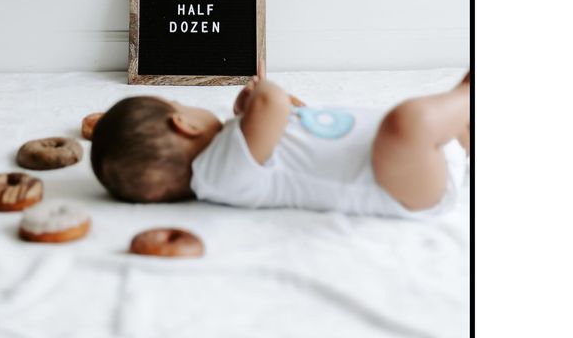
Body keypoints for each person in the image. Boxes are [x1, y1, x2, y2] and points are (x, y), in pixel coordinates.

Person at [90, 66, 470, 218]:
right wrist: (260, 95)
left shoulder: (233, 155)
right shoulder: (216, 175)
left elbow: (289, 117)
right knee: (406, 123)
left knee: (408, 124)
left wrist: (248, 114)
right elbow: (273, 102)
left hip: (408, 162)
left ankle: (463, 119)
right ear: (184, 123)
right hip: (399, 186)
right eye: (181, 102)